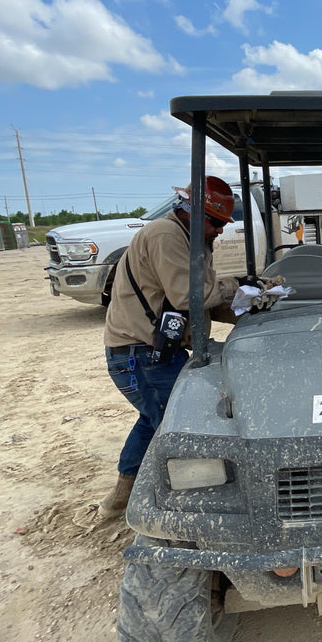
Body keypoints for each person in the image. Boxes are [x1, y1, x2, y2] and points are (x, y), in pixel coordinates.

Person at [98, 176, 240, 519]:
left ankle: (119, 498)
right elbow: (188, 295)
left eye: (223, 224)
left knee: (154, 420)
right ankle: (166, 504)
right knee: (172, 426)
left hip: (157, 350)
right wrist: (239, 286)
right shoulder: (166, 236)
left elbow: (201, 301)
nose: (220, 231)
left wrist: (251, 304)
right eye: (216, 222)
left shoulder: (191, 239)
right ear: (192, 211)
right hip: (139, 354)